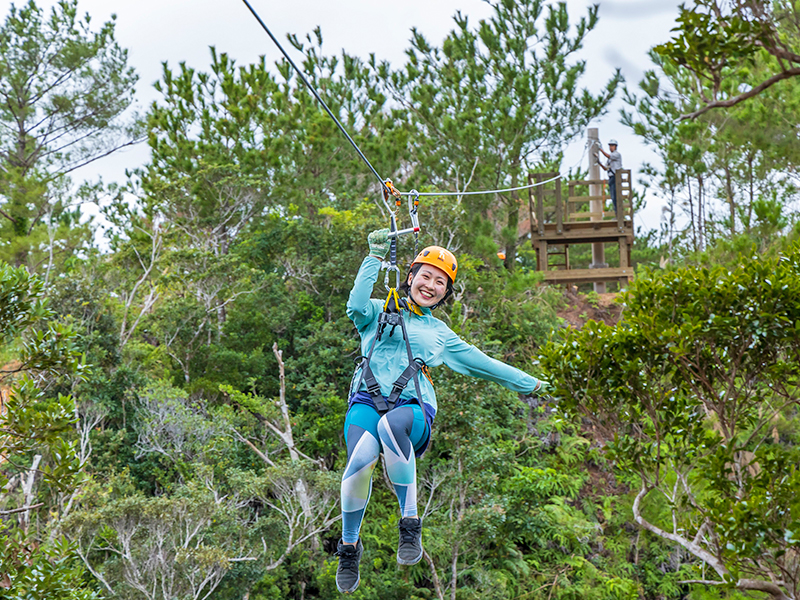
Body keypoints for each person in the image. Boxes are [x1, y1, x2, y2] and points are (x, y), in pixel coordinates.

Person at [335, 229, 550, 593]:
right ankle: (349, 546)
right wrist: (372, 258)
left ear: (445, 294)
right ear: (411, 278)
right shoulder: (376, 311)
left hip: (412, 406)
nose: (431, 285)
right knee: (360, 458)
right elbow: (355, 305)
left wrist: (533, 384)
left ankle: (410, 525)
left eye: (440, 283)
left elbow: (486, 365)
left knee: (391, 427)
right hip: (365, 400)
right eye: (426, 276)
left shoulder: (440, 334)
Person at [598, 139, 622, 214]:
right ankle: (616, 213)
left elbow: (608, 155)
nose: (611, 147)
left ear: (615, 147)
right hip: (611, 178)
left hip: (616, 177)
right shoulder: (609, 160)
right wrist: (599, 162)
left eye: (612, 146)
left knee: (616, 197)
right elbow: (605, 168)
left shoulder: (616, 154)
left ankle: (618, 214)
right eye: (610, 146)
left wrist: (600, 149)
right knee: (613, 197)